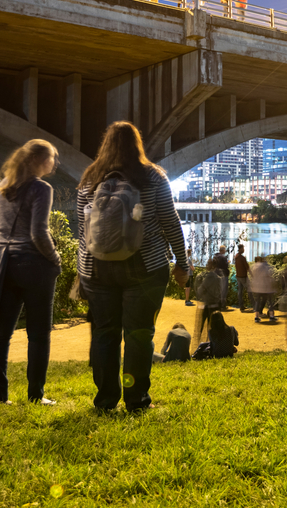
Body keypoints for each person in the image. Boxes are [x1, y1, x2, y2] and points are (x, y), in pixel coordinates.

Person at [76, 121, 188, 412]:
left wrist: (82, 273)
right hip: (145, 265)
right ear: (138, 144)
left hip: (97, 269)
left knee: (104, 334)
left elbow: (82, 231)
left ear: (106, 145)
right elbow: (171, 223)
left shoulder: (89, 178)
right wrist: (182, 264)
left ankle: (105, 401)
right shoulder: (152, 176)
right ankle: (136, 400)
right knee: (138, 335)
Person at [0, 139, 63, 405]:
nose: (54, 163)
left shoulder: (3, 187)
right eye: (52, 158)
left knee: (0, 333)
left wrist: (2, 246)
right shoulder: (41, 188)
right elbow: (38, 232)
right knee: (39, 334)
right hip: (34, 265)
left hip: (4, 264)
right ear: (40, 161)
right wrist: (55, 260)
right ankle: (35, 396)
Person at [194, 258, 222, 345]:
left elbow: (199, 290)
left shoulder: (208, 276)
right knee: (213, 326)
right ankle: (212, 344)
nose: (207, 265)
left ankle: (200, 345)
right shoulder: (218, 277)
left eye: (209, 264)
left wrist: (200, 293)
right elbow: (220, 292)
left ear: (213, 266)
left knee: (201, 327)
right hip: (214, 305)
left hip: (207, 305)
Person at [249, 256, 277, 323]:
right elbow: (269, 275)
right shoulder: (265, 267)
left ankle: (256, 317)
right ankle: (271, 316)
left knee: (257, 302)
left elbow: (252, 275)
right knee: (270, 301)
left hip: (257, 287)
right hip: (265, 287)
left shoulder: (254, 266)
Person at [212, 245, 231, 311]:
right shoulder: (223, 257)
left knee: (218, 290)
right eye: (224, 250)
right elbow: (225, 266)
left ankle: (217, 304)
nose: (225, 251)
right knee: (224, 290)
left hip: (216, 274)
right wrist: (228, 262)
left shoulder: (215, 257)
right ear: (222, 250)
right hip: (223, 274)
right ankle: (223, 305)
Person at [234, 244, 251, 311]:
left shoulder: (236, 257)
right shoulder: (242, 258)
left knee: (240, 292)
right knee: (249, 290)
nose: (243, 250)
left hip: (238, 276)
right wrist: (252, 274)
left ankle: (241, 305)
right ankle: (255, 305)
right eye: (243, 248)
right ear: (240, 249)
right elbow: (247, 267)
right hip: (243, 276)